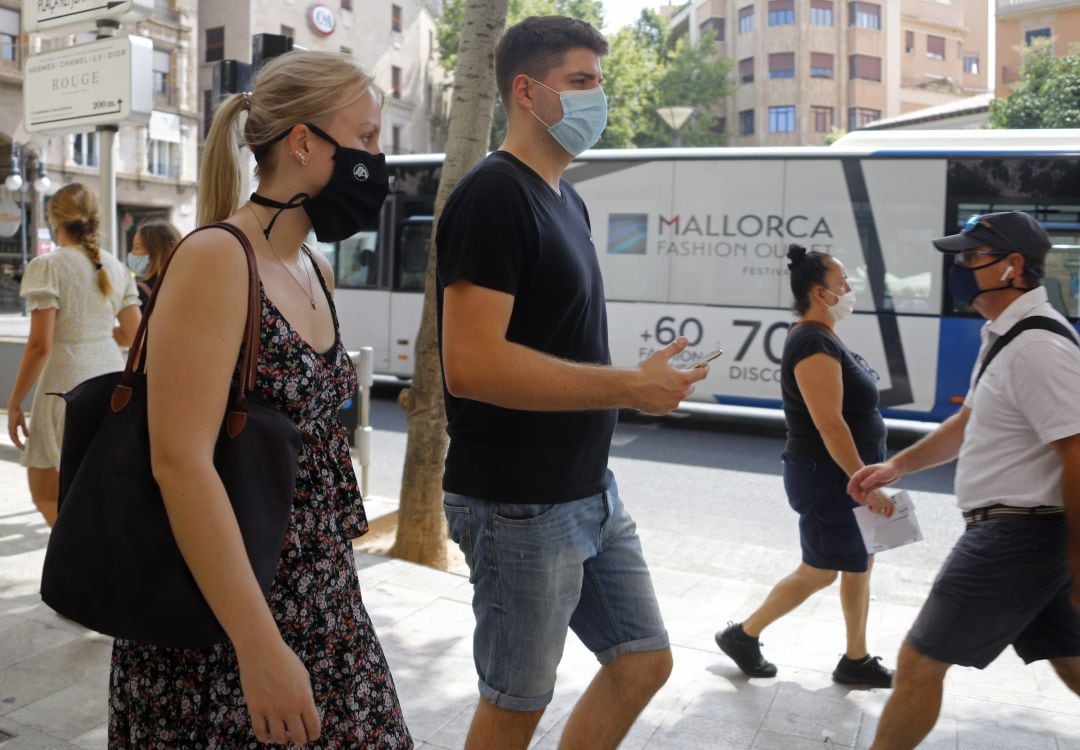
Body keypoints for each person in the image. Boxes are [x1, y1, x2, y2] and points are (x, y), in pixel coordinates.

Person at [108, 51, 412, 747]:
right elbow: (180, 463)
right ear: (303, 142)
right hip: (226, 627)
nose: (376, 159)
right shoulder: (217, 258)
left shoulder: (314, 268)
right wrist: (260, 648)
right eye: (365, 138)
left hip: (324, 604)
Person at [436, 16, 709, 750]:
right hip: (520, 505)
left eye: (600, 82)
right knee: (516, 702)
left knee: (643, 662)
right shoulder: (493, 195)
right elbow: (472, 364)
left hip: (587, 491)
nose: (600, 97)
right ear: (527, 92)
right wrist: (630, 386)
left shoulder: (567, 199)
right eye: (582, 82)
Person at [849, 211, 1080, 749]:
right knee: (1069, 660)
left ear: (1012, 267)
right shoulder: (1007, 335)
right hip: (1025, 533)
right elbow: (968, 422)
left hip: (1017, 535)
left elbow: (1077, 451)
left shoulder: (1038, 347)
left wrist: (1079, 556)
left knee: (918, 661)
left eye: (973, 256)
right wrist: (897, 466)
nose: (960, 267)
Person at [714, 245, 896, 687]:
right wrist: (865, 482)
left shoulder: (826, 335)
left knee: (859, 563)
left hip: (843, 476)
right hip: (828, 477)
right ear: (820, 292)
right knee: (820, 570)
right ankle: (743, 635)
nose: (850, 290)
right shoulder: (812, 341)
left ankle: (856, 658)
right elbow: (829, 424)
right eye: (842, 284)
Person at [6, 183, 141, 527]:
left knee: (47, 492)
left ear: (55, 219)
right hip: (110, 380)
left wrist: (15, 402)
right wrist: (93, 333)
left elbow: (40, 344)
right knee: (94, 489)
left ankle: (81, 568)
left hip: (65, 388)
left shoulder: (48, 265)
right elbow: (133, 334)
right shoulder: (114, 266)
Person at [127, 217, 180, 308]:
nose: (131, 253)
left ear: (156, 252)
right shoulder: (186, 286)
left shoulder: (139, 293)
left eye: (137, 247)